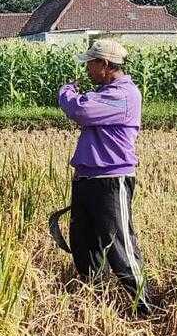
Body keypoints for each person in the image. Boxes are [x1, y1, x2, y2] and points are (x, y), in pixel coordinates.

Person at [58, 39, 151, 315]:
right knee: (84, 244)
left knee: (119, 245)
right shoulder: (106, 92)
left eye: (91, 63)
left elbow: (81, 110)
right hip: (87, 178)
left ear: (106, 65)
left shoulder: (124, 95)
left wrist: (66, 92)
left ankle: (143, 307)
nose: (87, 68)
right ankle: (96, 302)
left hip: (111, 180)